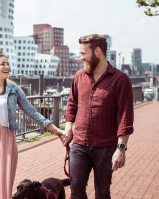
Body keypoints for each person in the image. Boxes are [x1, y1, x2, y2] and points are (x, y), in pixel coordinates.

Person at [0, 53, 64, 199]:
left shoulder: (14, 89)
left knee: (0, 183)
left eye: (8, 63)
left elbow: (32, 111)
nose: (7, 67)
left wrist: (54, 129)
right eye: (2, 64)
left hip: (4, 140)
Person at [63, 34, 134, 199]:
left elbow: (126, 117)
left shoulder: (120, 79)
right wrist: (68, 127)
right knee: (76, 190)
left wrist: (121, 150)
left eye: (83, 53)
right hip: (79, 145)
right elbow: (72, 103)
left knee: (102, 193)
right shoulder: (79, 77)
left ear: (98, 51)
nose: (80, 58)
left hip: (105, 148)